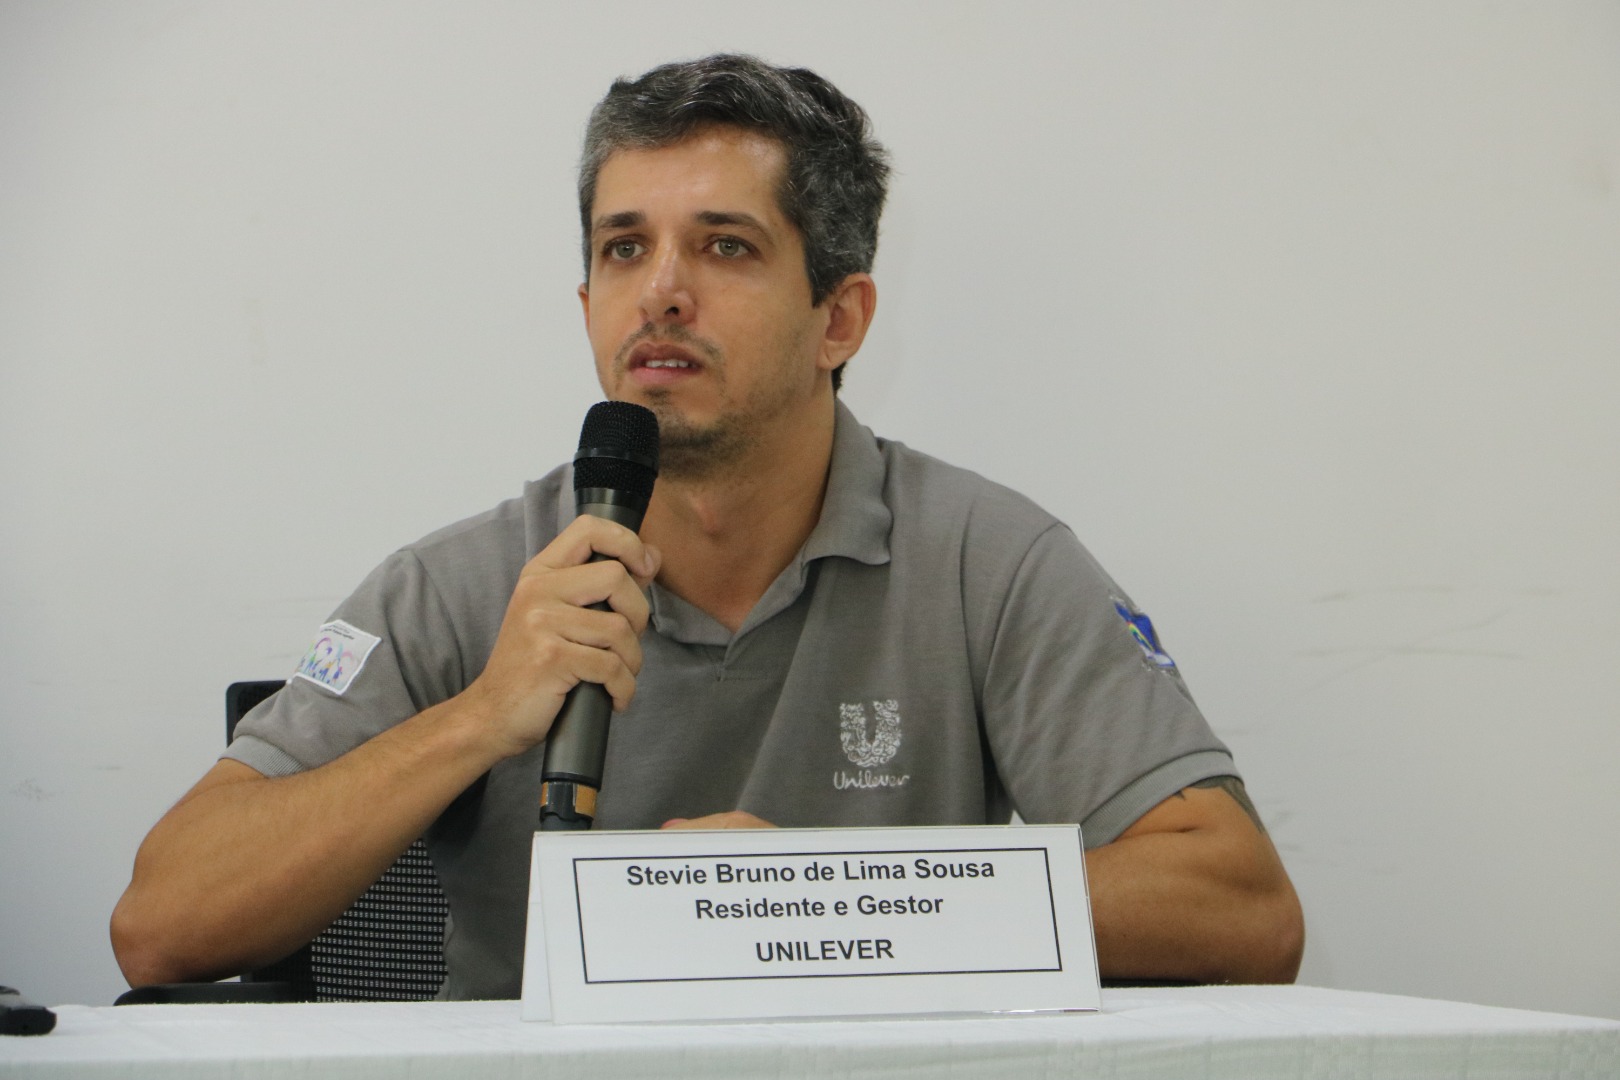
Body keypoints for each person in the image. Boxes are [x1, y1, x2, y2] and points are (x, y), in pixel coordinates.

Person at [111, 54, 1303, 998]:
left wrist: (828, 896)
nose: (662, 291)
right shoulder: (461, 583)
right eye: (624, 248)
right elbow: (162, 923)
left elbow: (1242, 906)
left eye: (725, 246)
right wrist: (480, 716)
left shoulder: (986, 561)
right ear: (587, 303)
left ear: (840, 320)